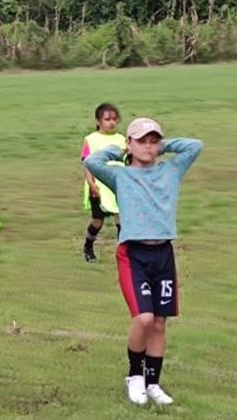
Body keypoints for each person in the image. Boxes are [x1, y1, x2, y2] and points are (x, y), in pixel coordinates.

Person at [85, 118, 202, 406]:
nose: (148, 146)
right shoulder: (121, 176)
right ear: (130, 143)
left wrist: (164, 147)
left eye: (153, 141)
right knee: (144, 318)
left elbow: (195, 146)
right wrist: (121, 150)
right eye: (142, 140)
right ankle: (135, 376)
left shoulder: (171, 170)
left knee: (160, 323)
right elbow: (93, 161)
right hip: (133, 254)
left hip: (163, 253)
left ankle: (153, 383)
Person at [80, 103, 125, 262]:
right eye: (107, 119)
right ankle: (88, 246)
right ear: (98, 121)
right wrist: (92, 184)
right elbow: (86, 163)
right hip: (99, 187)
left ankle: (124, 253)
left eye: (114, 119)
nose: (111, 122)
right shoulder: (91, 139)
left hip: (118, 185)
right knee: (98, 222)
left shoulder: (121, 139)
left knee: (122, 220)